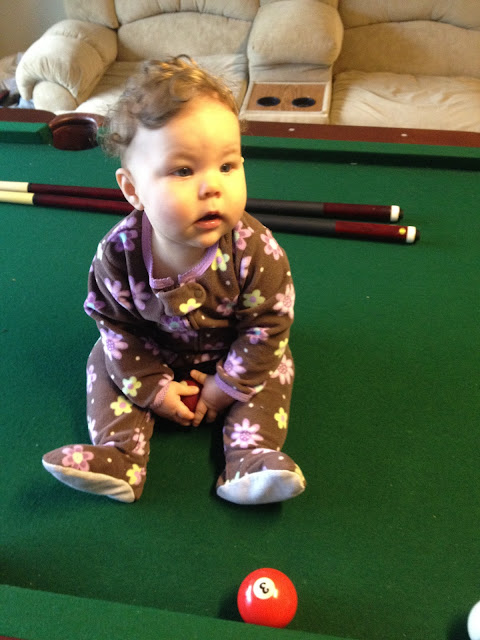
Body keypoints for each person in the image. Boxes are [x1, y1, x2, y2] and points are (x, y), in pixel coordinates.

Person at [42, 57, 306, 505]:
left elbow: (268, 327)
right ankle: (121, 456)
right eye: (184, 171)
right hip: (151, 352)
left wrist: (225, 387)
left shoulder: (257, 251)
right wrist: (153, 388)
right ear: (132, 190)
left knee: (276, 365)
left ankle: (249, 457)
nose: (212, 187)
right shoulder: (118, 253)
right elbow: (115, 326)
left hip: (232, 354)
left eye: (228, 166)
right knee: (103, 358)